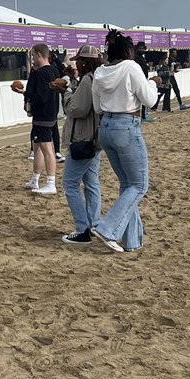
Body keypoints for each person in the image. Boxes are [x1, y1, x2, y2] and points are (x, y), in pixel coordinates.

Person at [89, 31, 157, 254]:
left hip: (106, 127)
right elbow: (150, 100)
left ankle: (132, 240)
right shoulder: (131, 68)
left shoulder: (100, 72)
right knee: (140, 185)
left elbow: (97, 107)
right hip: (126, 125)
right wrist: (154, 84)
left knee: (128, 185)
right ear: (129, 51)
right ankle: (108, 228)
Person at [55, 46, 103, 244]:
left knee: (70, 183)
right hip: (95, 138)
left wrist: (65, 94)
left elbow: (77, 108)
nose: (77, 64)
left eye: (79, 61)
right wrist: (73, 83)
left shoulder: (87, 79)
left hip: (83, 138)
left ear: (85, 61)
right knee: (91, 184)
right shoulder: (97, 77)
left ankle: (82, 229)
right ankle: (94, 224)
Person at [22, 44, 60, 195]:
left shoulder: (42, 73)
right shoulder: (54, 70)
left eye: (33, 56)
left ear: (39, 55)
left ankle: (51, 182)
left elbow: (41, 97)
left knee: (46, 148)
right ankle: (35, 179)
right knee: (37, 146)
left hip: (43, 115)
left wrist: (25, 94)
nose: (33, 59)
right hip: (51, 113)